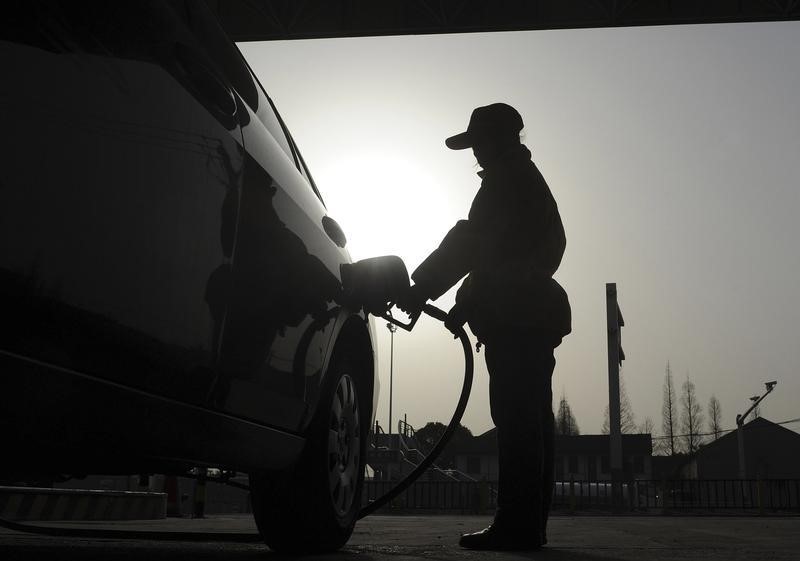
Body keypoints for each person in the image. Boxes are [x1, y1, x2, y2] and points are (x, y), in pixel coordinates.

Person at [399, 103, 571, 550]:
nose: (475, 153)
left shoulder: (506, 184)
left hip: (519, 318)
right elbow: (499, 255)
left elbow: (474, 243)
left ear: (501, 139)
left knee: (517, 421)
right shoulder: (523, 182)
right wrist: (468, 301)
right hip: (528, 315)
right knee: (531, 421)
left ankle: (517, 524)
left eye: (479, 143)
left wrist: (423, 288)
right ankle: (528, 525)